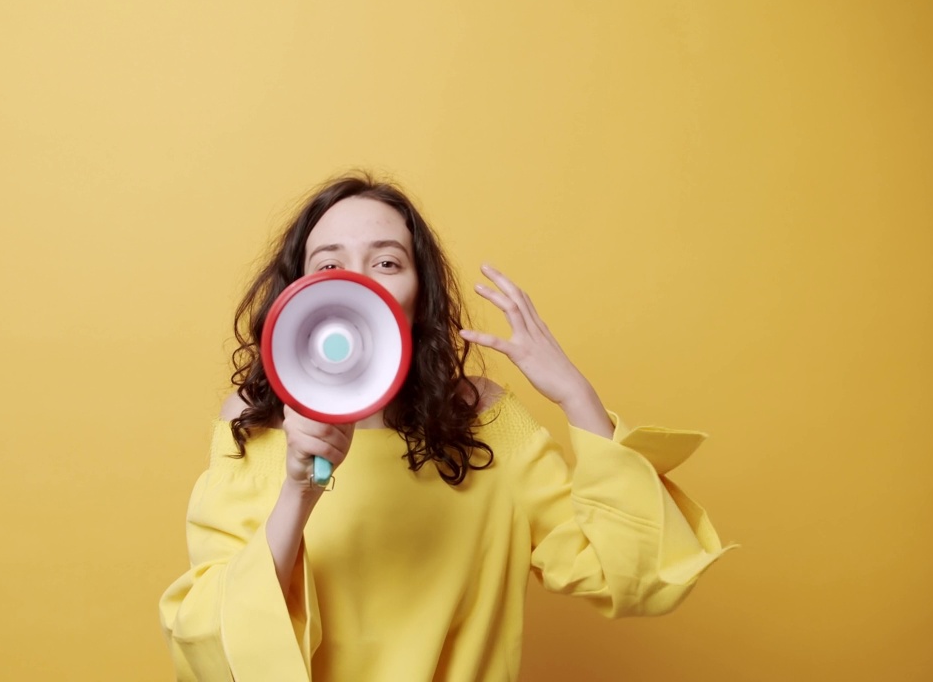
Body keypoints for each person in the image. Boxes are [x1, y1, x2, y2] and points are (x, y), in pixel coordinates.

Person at [159, 173, 734, 681]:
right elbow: (209, 648)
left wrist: (575, 395)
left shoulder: (485, 424)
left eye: (387, 262)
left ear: (419, 298)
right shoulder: (253, 427)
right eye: (330, 264)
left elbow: (636, 576)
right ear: (298, 295)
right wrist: (298, 492)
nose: (359, 282)